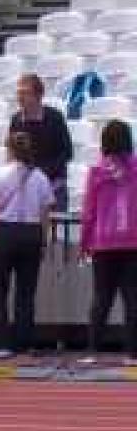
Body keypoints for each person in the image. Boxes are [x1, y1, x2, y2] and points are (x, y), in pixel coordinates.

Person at [0, 131, 55, 359]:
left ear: (9, 150)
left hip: (6, 231)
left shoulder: (1, 175)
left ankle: (2, 341)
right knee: (26, 291)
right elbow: (45, 212)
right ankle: (25, 341)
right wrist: (44, 239)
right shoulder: (40, 176)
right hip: (31, 233)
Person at [80, 120, 137, 365]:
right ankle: (133, 353)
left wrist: (84, 242)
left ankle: (93, 350)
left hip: (103, 242)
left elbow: (89, 211)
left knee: (101, 297)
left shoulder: (96, 172)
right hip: (133, 241)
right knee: (132, 298)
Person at [9, 74, 73, 213]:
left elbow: (67, 152)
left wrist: (41, 173)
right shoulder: (16, 120)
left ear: (38, 95)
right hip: (26, 188)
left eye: (25, 93)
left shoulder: (55, 118)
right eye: (18, 93)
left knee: (53, 232)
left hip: (53, 186)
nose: (20, 98)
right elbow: (13, 152)